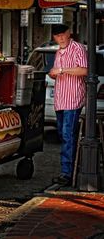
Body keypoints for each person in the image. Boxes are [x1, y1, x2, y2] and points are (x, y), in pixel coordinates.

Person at [49, 24, 88, 186]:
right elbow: (56, 73)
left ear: (68, 33)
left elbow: (84, 70)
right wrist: (53, 73)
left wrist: (62, 70)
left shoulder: (78, 48)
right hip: (60, 100)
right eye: (58, 37)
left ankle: (67, 173)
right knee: (62, 134)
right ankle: (72, 167)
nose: (61, 38)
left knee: (67, 135)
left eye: (63, 35)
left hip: (73, 99)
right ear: (54, 38)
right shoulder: (58, 51)